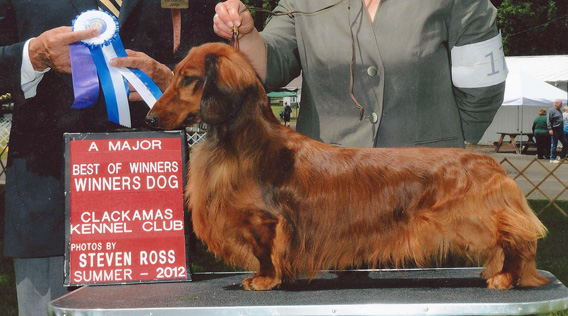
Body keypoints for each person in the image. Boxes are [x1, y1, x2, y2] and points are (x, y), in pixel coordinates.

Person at [0, 1, 219, 315]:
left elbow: (219, 72)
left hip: (151, 209)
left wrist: (169, 80)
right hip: (46, 207)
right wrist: (32, 56)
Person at [213, 0, 506, 148]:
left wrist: (452, 147)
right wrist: (247, 34)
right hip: (328, 190)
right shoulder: (302, 3)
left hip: (429, 191)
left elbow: (484, 86)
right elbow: (270, 63)